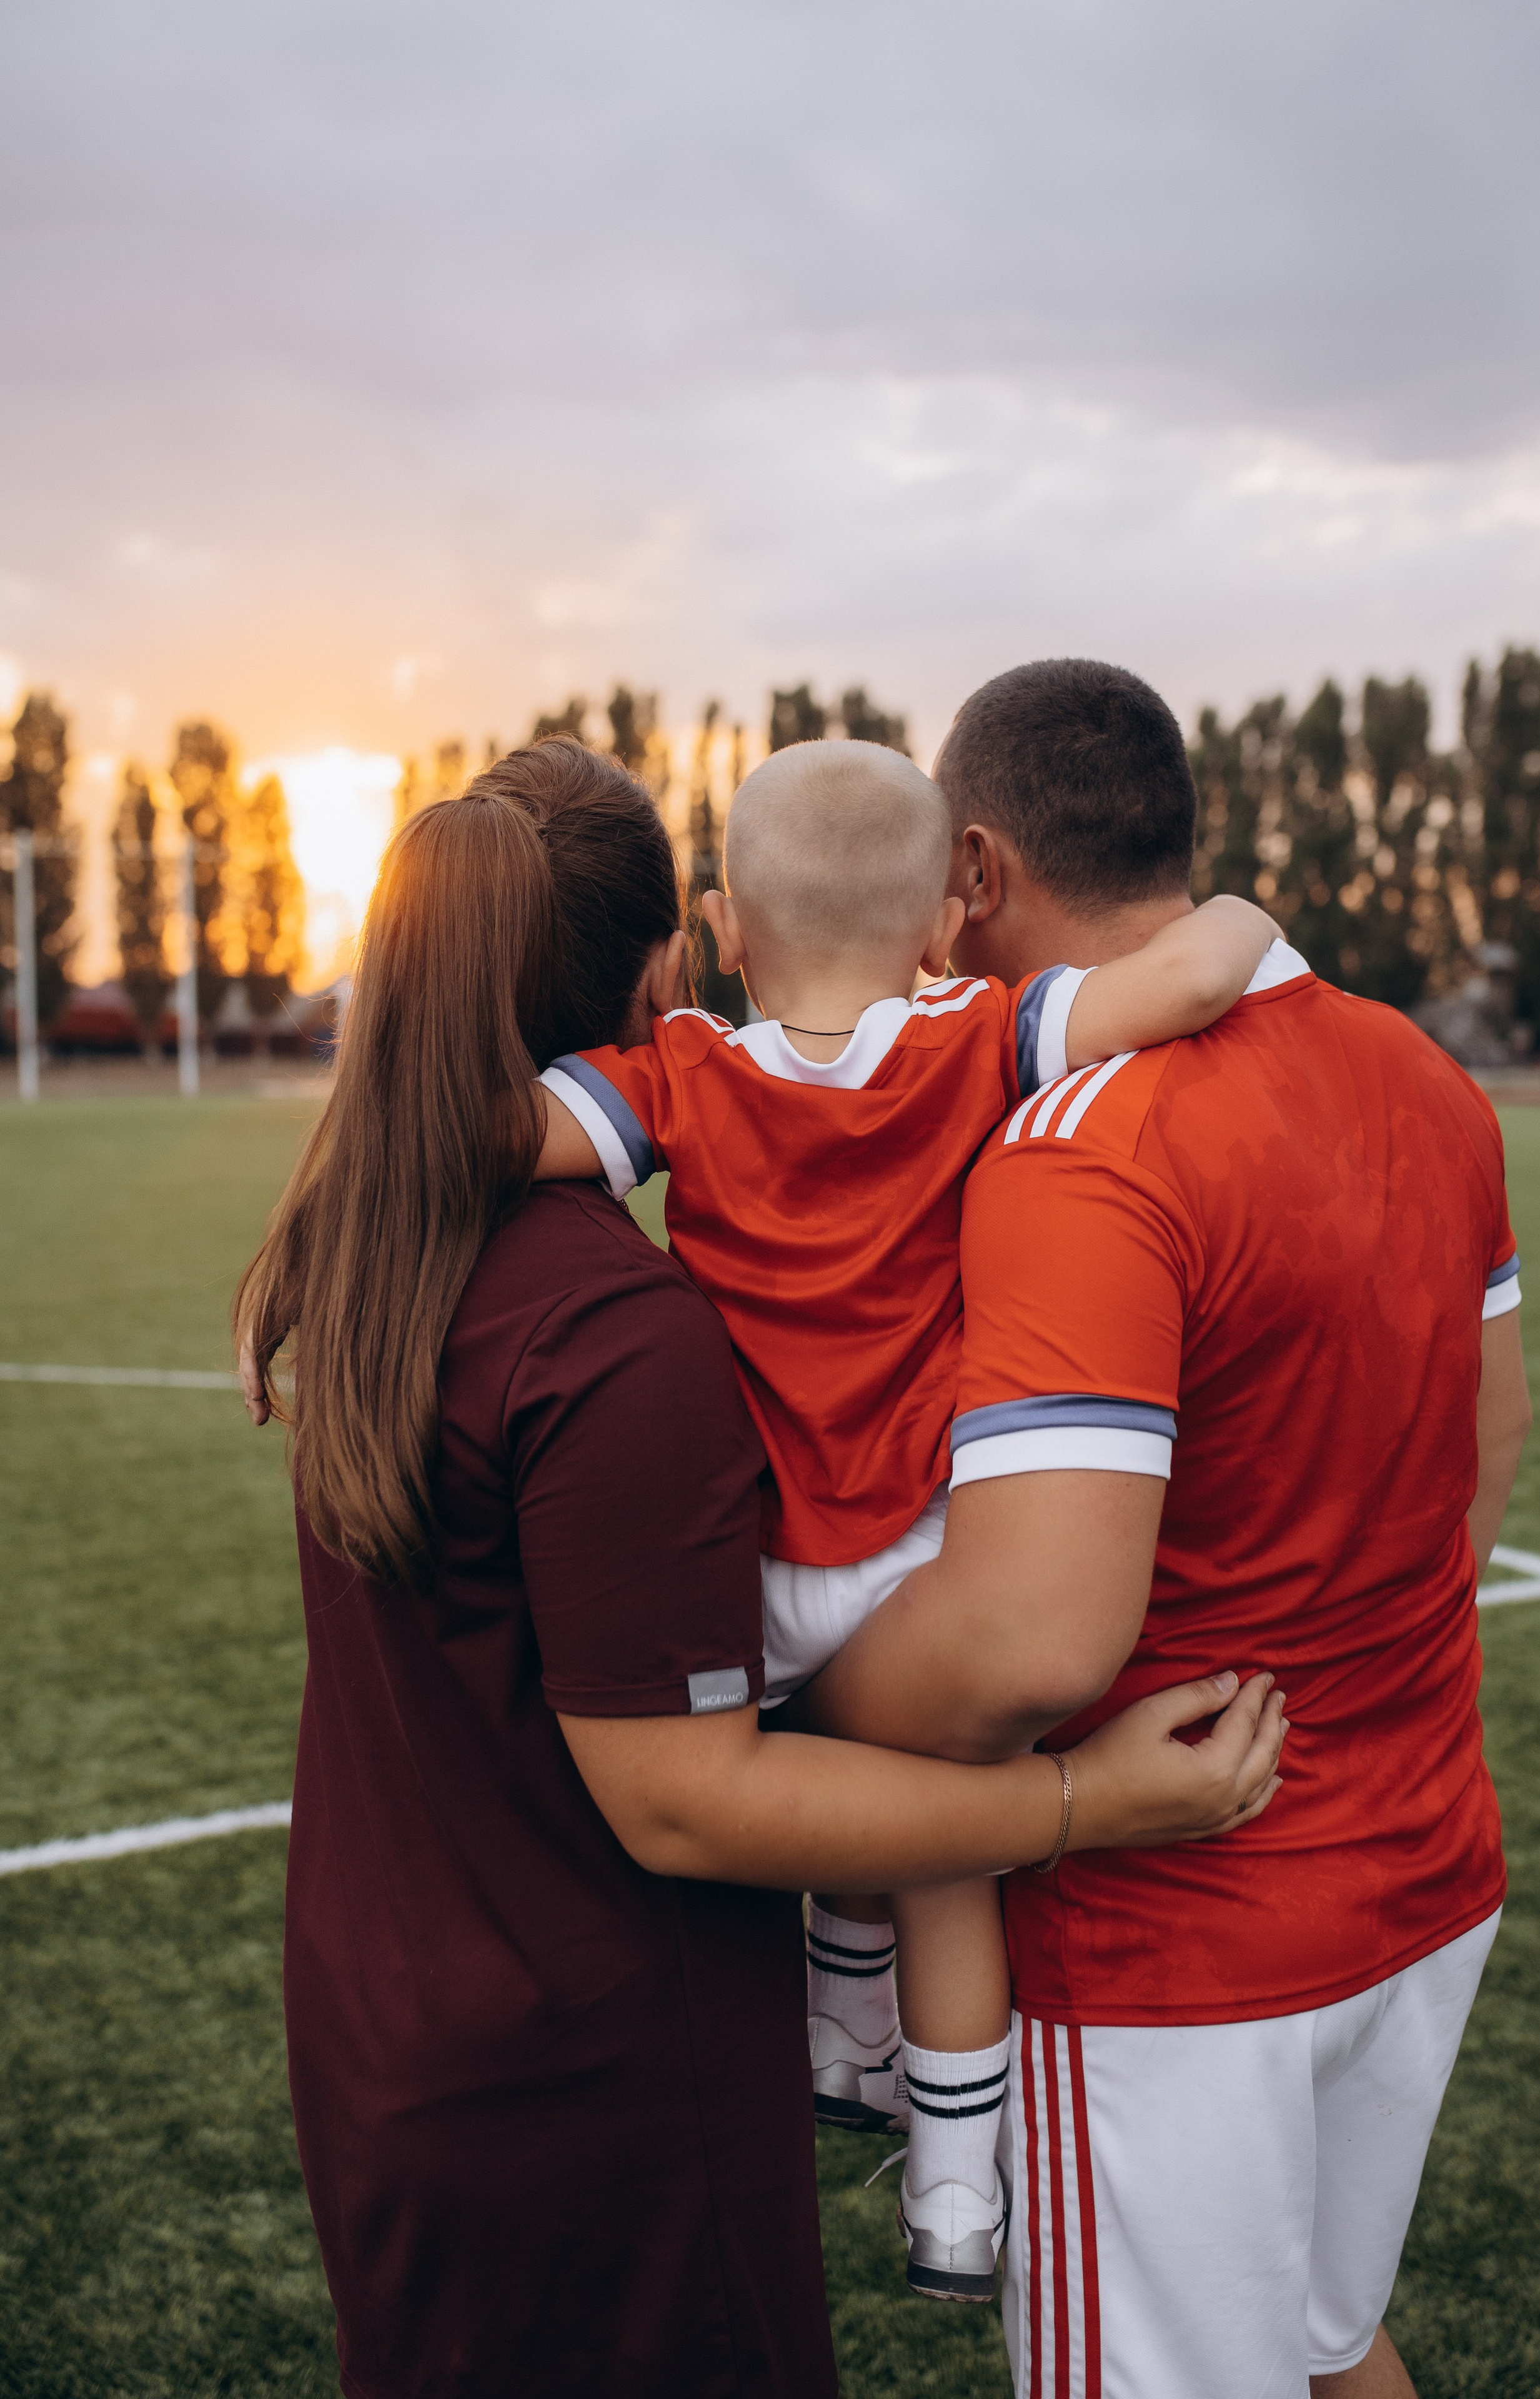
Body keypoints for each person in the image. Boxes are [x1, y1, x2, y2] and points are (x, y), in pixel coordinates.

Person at [234, 737, 1286, 2399]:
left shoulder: (418, 1275)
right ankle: (941, 2156)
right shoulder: (616, 1340)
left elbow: (463, 1140)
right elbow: (690, 1802)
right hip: (607, 2092)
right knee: (921, 1751)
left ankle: (867, 2051)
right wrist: (1089, 1806)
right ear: (663, 957)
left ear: (724, 938)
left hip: (387, 2039)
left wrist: (318, 1220)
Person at [805, 659, 1533, 2399]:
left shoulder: (1079, 1143)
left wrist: (796, 1735)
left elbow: (1033, 1644)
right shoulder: (1420, 1074)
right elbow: (1484, 1458)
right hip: (1422, 1863)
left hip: (1171, 1941)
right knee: (1327, 2349)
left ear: (975, 870)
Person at [533, 735, 1281, 2298]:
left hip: (748, 1572)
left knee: (823, 1797)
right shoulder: (980, 1035)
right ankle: (952, 2201)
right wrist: (1238, 914)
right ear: (943, 919)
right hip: (912, 1559)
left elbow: (491, 1142)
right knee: (945, 1837)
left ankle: (836, 2035)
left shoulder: (677, 1070)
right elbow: (1193, 981)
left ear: (728, 928)